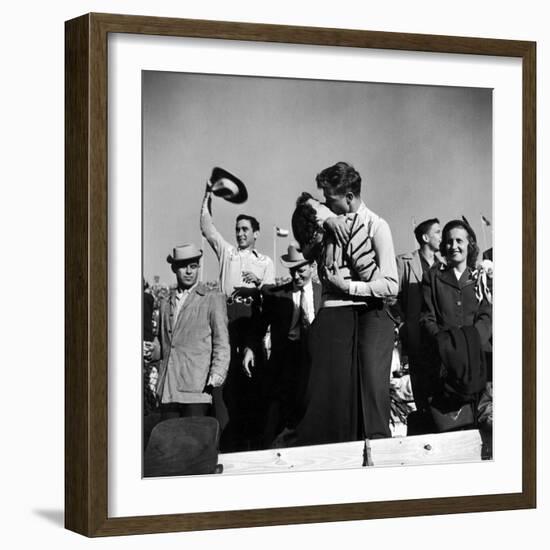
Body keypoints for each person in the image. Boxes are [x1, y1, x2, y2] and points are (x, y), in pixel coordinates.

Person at [289, 192, 382, 446]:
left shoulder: (335, 234)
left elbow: (307, 203)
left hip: (335, 324)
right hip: (337, 323)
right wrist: (330, 221)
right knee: (333, 409)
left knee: (334, 408)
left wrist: (328, 221)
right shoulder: (342, 231)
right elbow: (380, 283)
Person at [314, 162, 398, 439]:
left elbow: (390, 285)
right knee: (341, 396)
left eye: (331, 199)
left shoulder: (377, 226)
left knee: (371, 392)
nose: (326, 203)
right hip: (343, 319)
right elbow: (307, 207)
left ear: (349, 197)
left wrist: (348, 287)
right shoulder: (330, 222)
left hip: (373, 315)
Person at [200, 182, 275, 451]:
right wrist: (208, 197)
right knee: (225, 385)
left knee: (253, 383)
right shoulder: (227, 254)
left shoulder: (265, 262)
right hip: (226, 324)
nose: (240, 234)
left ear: (256, 233)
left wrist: (256, 284)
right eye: (237, 229)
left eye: (245, 229)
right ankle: (225, 445)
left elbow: (268, 301)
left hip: (252, 326)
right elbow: (207, 228)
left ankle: (252, 444)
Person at [242, 243, 323, 447]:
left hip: (315, 362)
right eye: (292, 271)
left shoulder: (324, 294)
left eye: (301, 270)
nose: (296, 276)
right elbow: (258, 325)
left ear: (312, 267)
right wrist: (250, 349)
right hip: (284, 364)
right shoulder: (277, 296)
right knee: (276, 419)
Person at [420, 220, 492, 434]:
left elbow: (487, 314)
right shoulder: (432, 278)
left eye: (459, 241)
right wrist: (447, 346)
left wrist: (469, 344)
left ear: (469, 244)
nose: (454, 246)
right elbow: (427, 319)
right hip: (445, 367)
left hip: (481, 364)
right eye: (449, 241)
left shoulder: (481, 277)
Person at [153, 244, 230, 422]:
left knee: (193, 445)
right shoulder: (165, 302)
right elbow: (163, 345)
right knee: (169, 445)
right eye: (183, 266)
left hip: (197, 390)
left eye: (193, 266)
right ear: (174, 268)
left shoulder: (212, 298)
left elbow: (222, 343)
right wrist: (151, 350)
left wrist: (217, 373)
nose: (189, 271)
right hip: (167, 390)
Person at [394, 218, 443, 430]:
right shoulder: (404, 262)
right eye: (438, 233)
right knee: (420, 390)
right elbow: (391, 297)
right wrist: (402, 324)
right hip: (416, 339)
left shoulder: (443, 265)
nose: (442, 238)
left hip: (439, 338)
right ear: (425, 238)